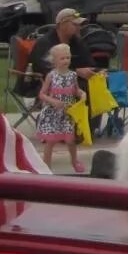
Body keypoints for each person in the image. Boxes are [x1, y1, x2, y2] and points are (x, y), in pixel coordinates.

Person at [35, 43, 88, 172]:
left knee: (70, 140)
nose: (66, 61)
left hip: (67, 113)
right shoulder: (51, 76)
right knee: (50, 141)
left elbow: (76, 90)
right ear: (54, 61)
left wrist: (82, 94)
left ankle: (74, 160)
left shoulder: (72, 76)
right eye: (62, 58)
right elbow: (41, 94)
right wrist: (52, 101)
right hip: (52, 113)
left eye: (68, 58)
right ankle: (46, 165)